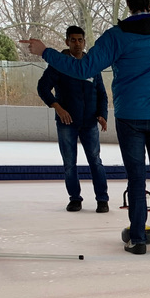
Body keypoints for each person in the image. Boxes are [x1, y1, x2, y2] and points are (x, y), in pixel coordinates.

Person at [22, 0, 150, 255]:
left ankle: (138, 239)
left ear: (128, 3)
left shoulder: (117, 36)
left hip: (130, 117)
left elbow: (84, 68)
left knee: (137, 179)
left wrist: (46, 51)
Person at [36, 25, 110, 213]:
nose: (77, 43)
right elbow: (42, 87)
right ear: (67, 42)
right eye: (73, 40)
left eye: (80, 40)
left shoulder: (91, 65)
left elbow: (101, 93)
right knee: (70, 163)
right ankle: (75, 198)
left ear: (85, 42)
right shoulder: (59, 64)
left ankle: (102, 199)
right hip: (66, 123)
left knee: (95, 160)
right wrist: (57, 107)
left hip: (89, 122)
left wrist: (102, 114)